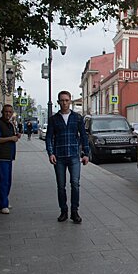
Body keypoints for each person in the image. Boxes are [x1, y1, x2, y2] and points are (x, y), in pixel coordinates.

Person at [46, 91, 89, 223]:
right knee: (61, 186)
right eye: (62, 100)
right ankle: (63, 211)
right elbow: (48, 137)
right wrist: (50, 153)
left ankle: (74, 211)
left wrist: (86, 154)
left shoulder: (77, 117)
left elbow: (83, 136)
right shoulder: (54, 119)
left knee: (75, 184)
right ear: (58, 102)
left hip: (74, 157)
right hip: (59, 157)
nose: (64, 103)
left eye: (66, 100)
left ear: (70, 101)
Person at [0, 104, 21, 214]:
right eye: (6, 112)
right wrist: (10, 138)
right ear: (2, 112)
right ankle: (4, 204)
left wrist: (16, 136)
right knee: (4, 181)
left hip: (8, 156)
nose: (8, 114)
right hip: (1, 156)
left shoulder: (10, 124)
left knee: (8, 181)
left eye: (10, 112)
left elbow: (11, 137)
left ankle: (1, 202)